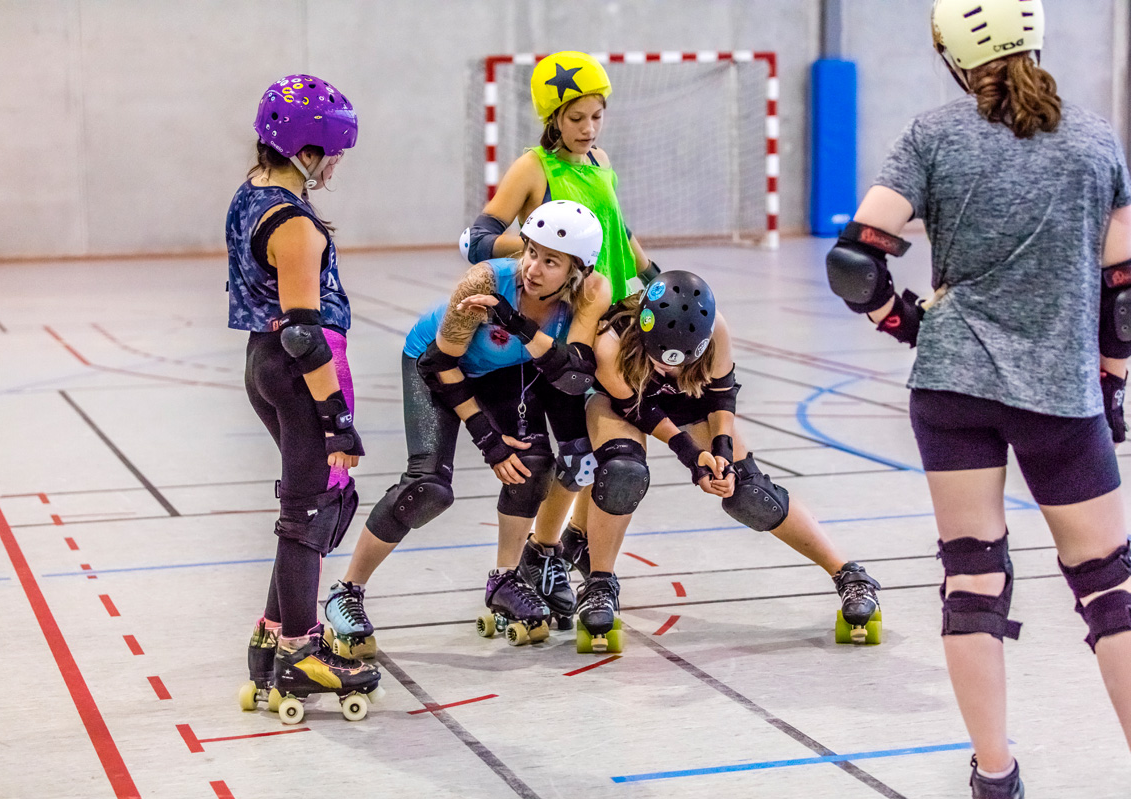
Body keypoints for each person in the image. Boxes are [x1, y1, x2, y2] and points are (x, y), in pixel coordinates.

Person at [827, 1, 1131, 795]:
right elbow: (1125, 296)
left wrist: (905, 322)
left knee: (973, 580)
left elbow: (855, 262)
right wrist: (1111, 385)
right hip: (1060, 391)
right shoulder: (1094, 140)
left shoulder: (932, 135)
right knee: (1109, 583)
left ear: (952, 54)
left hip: (953, 388)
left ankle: (995, 774)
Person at [326, 200, 612, 649]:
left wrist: (516, 323)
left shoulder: (592, 290)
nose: (532, 268)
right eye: (531, 252)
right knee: (429, 487)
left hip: (501, 369)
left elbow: (574, 376)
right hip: (435, 364)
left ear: (577, 270)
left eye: (550, 261)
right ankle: (346, 590)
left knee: (532, 465)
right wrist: (488, 439)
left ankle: (504, 579)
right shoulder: (485, 283)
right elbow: (440, 364)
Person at [580, 270, 883, 653]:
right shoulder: (611, 340)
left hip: (685, 399)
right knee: (623, 472)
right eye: (662, 361)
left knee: (750, 492)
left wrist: (721, 452)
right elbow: (641, 411)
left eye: (679, 362)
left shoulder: (715, 327)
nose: (668, 370)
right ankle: (600, 584)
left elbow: (721, 395)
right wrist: (692, 456)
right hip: (624, 401)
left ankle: (851, 576)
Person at [461, 51, 662, 619]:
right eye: (577, 118)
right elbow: (478, 239)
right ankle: (542, 552)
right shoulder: (533, 167)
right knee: (580, 451)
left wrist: (657, 281)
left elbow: (617, 232)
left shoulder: (600, 160)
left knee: (609, 452)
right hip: (567, 324)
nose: (589, 128)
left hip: (616, 313)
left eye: (597, 116)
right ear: (553, 117)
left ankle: (563, 546)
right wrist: (549, 242)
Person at [228, 75, 380, 724]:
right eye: (333, 153)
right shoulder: (293, 225)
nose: (337, 164)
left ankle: (270, 638)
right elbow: (303, 334)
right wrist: (337, 420)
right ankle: (299, 651)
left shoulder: (252, 194)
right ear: (305, 150)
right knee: (310, 513)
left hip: (264, 364)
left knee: (313, 505)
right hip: (298, 373)